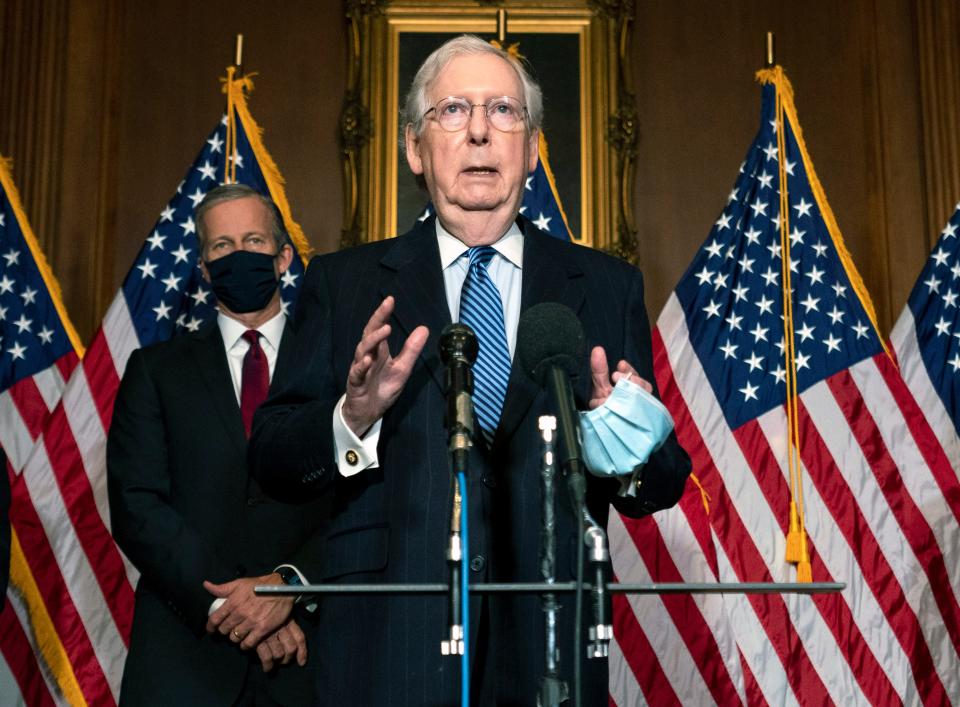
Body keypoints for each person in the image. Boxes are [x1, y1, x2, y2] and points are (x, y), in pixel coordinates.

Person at [249, 35, 691, 706]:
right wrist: (353, 416)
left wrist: (632, 441)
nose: (480, 131)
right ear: (414, 148)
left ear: (534, 148)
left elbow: (656, 487)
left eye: (504, 111)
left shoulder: (603, 286)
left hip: (550, 655)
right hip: (390, 656)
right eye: (453, 110)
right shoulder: (346, 284)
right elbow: (274, 458)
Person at [107, 184, 326, 706]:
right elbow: (137, 506)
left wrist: (288, 585)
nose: (238, 255)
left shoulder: (334, 368)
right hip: (184, 662)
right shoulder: (156, 372)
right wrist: (240, 609)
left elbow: (360, 498)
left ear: (283, 257)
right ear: (203, 267)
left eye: (253, 240)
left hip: (309, 660)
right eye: (222, 247)